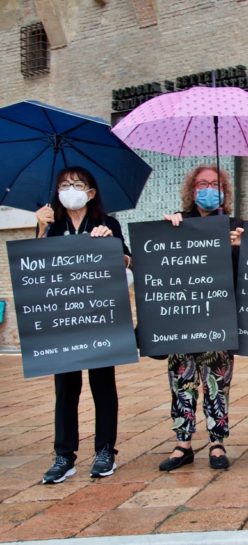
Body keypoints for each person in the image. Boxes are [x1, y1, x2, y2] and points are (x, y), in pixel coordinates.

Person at [35, 166, 131, 484]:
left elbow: (127, 262)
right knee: (65, 388)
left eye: (77, 184)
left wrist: (111, 244)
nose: (70, 190)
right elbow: (36, 270)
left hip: (100, 318)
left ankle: (105, 450)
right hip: (64, 321)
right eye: (64, 185)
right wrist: (40, 229)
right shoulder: (52, 225)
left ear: (90, 193)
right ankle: (64, 455)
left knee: (103, 384)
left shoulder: (107, 223)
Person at [158, 165, 244, 471]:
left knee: (217, 381)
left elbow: (246, 275)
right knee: (182, 380)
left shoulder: (235, 226)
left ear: (225, 190)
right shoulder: (178, 223)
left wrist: (239, 247)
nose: (209, 189)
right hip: (183, 317)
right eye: (202, 183)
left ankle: (217, 442)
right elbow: (160, 262)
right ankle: (183, 443)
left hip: (219, 317)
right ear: (192, 190)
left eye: (215, 184)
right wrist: (167, 230)